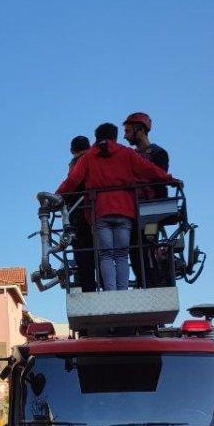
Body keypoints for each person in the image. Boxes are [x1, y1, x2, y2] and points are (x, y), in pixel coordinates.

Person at [56, 123, 178, 292]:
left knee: (105, 255)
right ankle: (122, 291)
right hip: (125, 211)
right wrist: (169, 179)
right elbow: (149, 170)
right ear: (114, 136)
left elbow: (72, 181)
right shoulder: (127, 153)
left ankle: (111, 292)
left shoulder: (88, 157)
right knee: (122, 255)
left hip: (99, 212)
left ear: (97, 138)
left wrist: (56, 196)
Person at [66, 135, 97, 291]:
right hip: (99, 212)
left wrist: (59, 197)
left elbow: (72, 184)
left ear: (72, 150)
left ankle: (88, 288)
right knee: (105, 254)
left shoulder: (78, 163)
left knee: (83, 255)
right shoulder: (96, 159)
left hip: (80, 214)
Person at [122, 112, 170, 197]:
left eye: (127, 131)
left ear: (140, 130)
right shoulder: (131, 155)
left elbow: (159, 179)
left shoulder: (158, 153)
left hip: (154, 204)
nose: (125, 136)